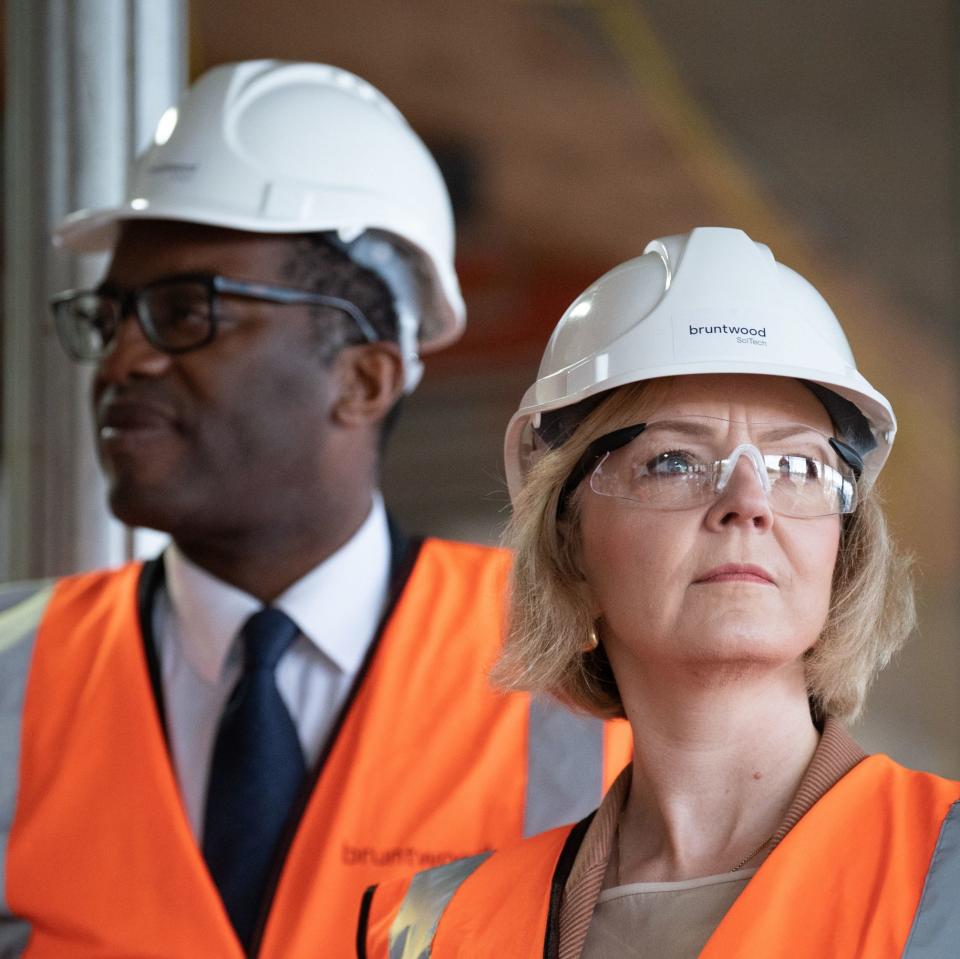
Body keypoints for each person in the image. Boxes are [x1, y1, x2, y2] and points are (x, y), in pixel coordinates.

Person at [0, 61, 631, 958]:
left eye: (186, 311)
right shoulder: (11, 671)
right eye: (113, 316)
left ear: (363, 375)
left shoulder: (576, 666)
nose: (121, 362)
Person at [359, 227, 960, 958]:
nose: (750, 500)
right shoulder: (432, 928)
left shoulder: (944, 872)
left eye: (797, 466)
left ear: (842, 548)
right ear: (569, 546)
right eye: (674, 460)